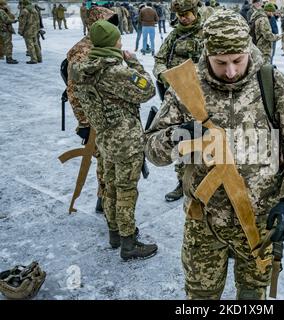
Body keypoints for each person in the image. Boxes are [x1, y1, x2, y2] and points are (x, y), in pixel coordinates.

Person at [144, 10, 284, 300]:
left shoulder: (272, 83)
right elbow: (152, 150)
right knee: (200, 296)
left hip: (259, 220)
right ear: (206, 53)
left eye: (238, 60)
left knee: (252, 296)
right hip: (203, 223)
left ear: (248, 49)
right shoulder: (186, 87)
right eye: (220, 63)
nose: (230, 71)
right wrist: (178, 135)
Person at [70, 19, 158, 261]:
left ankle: (115, 233)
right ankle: (129, 243)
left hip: (105, 138)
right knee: (126, 189)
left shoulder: (81, 69)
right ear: (112, 42)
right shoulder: (116, 72)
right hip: (126, 140)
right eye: (118, 38)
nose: (121, 41)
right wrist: (133, 62)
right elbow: (148, 89)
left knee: (109, 187)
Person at [66, 6, 117, 216]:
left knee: (107, 160)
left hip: (107, 115)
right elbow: (74, 90)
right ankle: (107, 205)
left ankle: (103, 199)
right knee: (105, 161)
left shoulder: (101, 44)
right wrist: (84, 123)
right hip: (94, 117)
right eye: (108, 20)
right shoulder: (82, 50)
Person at [153, 0, 204, 202]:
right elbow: (159, 60)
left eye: (187, 14)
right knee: (181, 137)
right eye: (180, 15)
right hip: (177, 96)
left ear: (195, 12)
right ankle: (182, 181)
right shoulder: (174, 35)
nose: (183, 18)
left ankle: (205, 181)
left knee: (205, 139)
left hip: (201, 96)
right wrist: (163, 75)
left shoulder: (206, 33)